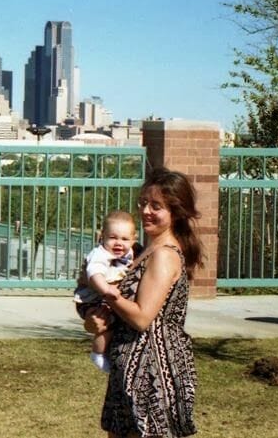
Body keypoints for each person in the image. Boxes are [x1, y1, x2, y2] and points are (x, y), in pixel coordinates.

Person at [85, 167, 204, 438]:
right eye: (144, 203)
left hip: (153, 373)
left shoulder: (164, 255)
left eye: (156, 206)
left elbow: (141, 317)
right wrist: (94, 321)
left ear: (176, 212)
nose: (146, 211)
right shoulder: (137, 252)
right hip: (128, 368)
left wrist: (108, 296)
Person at [72, 210, 137, 372]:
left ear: (133, 239)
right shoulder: (100, 254)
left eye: (124, 239)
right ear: (102, 236)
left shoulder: (130, 253)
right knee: (107, 326)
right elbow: (94, 274)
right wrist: (106, 290)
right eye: (113, 238)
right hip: (91, 300)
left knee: (113, 325)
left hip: (105, 299)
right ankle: (98, 353)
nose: (118, 243)